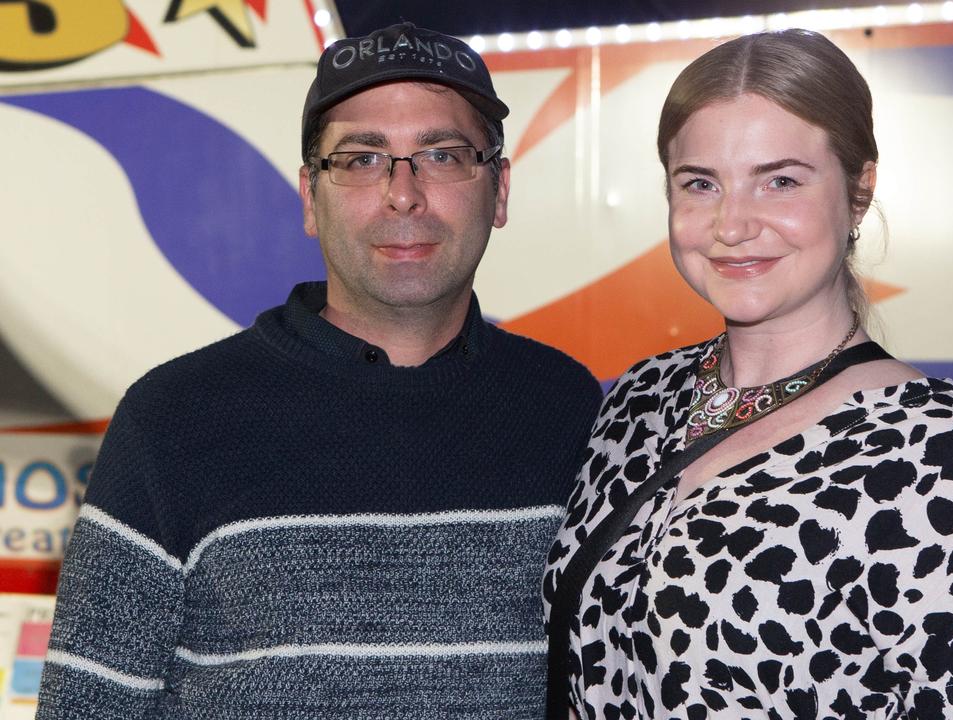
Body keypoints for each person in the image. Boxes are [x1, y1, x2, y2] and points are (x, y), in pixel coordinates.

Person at [36, 22, 602, 720]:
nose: (403, 194)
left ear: (501, 189)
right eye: (362, 159)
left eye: (444, 155)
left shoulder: (569, 409)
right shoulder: (173, 418)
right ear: (310, 197)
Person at [544, 29, 953, 720]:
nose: (731, 224)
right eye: (700, 184)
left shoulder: (935, 450)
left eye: (779, 180)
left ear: (859, 190)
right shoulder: (639, 400)